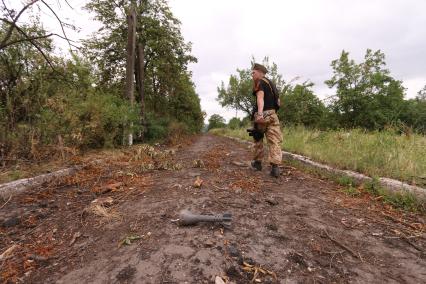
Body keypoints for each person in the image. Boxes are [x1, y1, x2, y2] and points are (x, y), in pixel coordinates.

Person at [250, 63, 283, 178]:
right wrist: (272, 113)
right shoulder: (272, 84)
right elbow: (278, 102)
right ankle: (275, 168)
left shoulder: (260, 82)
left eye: (253, 72)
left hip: (263, 115)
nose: (252, 75)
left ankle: (257, 164)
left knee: (258, 138)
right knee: (274, 141)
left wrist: (259, 114)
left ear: (259, 72)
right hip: (273, 115)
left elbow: (260, 98)